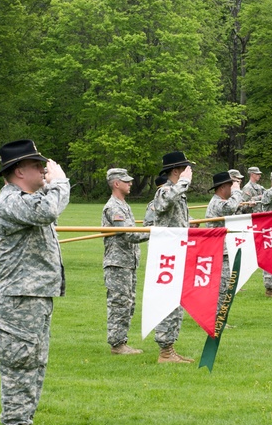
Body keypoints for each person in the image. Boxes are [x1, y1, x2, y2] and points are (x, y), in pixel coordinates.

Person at [0, 139, 70, 425]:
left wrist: (51, 186)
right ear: (20, 170)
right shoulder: (12, 201)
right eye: (37, 166)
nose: (43, 169)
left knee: (33, 363)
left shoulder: (26, 200)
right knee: (19, 365)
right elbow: (48, 210)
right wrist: (60, 183)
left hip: (32, 296)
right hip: (18, 299)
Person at [151, 151, 195, 363]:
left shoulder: (178, 193)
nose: (189, 173)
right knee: (167, 300)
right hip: (167, 254)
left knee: (177, 302)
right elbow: (164, 202)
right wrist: (184, 182)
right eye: (185, 169)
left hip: (178, 250)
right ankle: (165, 351)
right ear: (176, 171)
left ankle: (170, 347)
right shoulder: (166, 191)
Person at [101, 168, 148, 355]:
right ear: (116, 184)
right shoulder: (113, 207)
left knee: (128, 303)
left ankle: (122, 341)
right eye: (126, 181)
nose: (130, 184)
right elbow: (129, 234)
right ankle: (117, 343)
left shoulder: (124, 205)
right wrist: (152, 232)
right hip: (117, 263)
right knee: (119, 302)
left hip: (128, 262)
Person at [205, 170, 243, 317]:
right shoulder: (217, 203)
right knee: (222, 287)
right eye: (230, 185)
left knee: (225, 285)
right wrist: (238, 192)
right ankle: (216, 319)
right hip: (218, 250)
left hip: (222, 250)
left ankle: (219, 318)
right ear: (222, 188)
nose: (232, 188)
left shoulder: (219, 202)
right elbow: (230, 208)